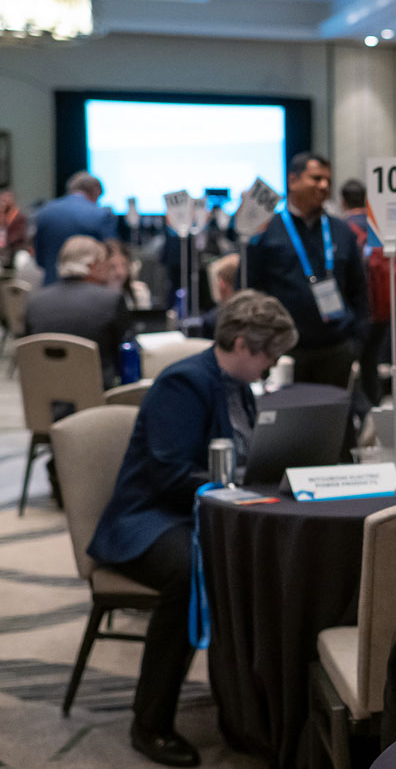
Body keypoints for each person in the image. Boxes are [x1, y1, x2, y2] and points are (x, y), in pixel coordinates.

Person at [88, 291, 297, 767]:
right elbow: (167, 476)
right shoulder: (185, 383)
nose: (273, 365)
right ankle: (150, 722)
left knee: (259, 564)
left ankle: (249, 709)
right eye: (270, 354)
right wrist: (235, 489)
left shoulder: (235, 383)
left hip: (199, 513)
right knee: (191, 577)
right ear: (243, 344)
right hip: (148, 519)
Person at [246, 152, 369, 388]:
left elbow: (359, 290)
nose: (323, 186)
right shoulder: (268, 230)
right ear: (293, 181)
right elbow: (251, 287)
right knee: (288, 423)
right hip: (284, 351)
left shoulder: (341, 231)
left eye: (327, 181)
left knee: (331, 423)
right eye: (316, 178)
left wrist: (356, 342)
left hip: (337, 349)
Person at [340, 178, 396, 405]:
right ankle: (374, 407)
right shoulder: (381, 224)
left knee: (353, 366)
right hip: (386, 305)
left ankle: (363, 413)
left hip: (359, 309)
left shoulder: (342, 228)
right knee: (370, 360)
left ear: (342, 201)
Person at [25, 235, 131, 387]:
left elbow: (29, 359)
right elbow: (126, 355)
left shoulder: (35, 302)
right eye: (105, 264)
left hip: (46, 400)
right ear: (93, 265)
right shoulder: (111, 301)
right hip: (99, 401)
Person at [32, 172, 117, 285]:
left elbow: (39, 260)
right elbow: (111, 258)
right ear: (95, 191)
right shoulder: (101, 215)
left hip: (51, 289)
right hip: (90, 293)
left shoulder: (44, 212)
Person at [104, 240, 154, 310]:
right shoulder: (95, 295)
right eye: (112, 267)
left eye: (124, 265)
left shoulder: (139, 291)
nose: (120, 272)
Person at [0, 189, 30, 268]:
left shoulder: (19, 217)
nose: (5, 202)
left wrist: (4, 242)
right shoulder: (2, 215)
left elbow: (19, 235)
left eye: (7, 199)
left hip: (16, 248)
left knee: (22, 258)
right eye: (3, 199)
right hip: (3, 250)